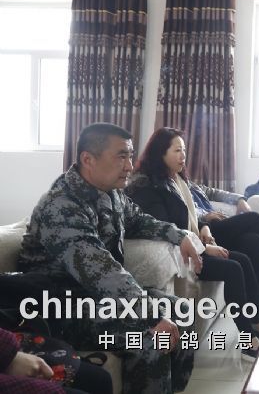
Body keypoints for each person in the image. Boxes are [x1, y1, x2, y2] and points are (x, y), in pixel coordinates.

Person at [17, 123, 201, 394]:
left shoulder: (112, 193)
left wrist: (179, 235)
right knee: (149, 339)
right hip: (60, 309)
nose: (130, 166)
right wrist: (151, 316)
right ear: (88, 159)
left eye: (130, 155)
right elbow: (100, 271)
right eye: (121, 156)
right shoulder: (61, 205)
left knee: (182, 310)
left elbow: (138, 220)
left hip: (99, 300)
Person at [126, 128, 259, 358]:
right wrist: (205, 247)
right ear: (160, 153)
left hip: (194, 242)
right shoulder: (148, 186)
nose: (183, 156)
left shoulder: (176, 179)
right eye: (177, 150)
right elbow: (168, 229)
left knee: (246, 255)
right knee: (234, 266)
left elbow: (189, 217)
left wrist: (204, 227)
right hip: (181, 253)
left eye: (184, 150)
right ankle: (249, 340)